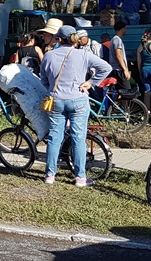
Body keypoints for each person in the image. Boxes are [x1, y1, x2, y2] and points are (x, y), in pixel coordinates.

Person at [40, 25, 111, 187]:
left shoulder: (48, 56)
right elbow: (105, 67)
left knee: (54, 138)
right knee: (78, 139)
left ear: (58, 39)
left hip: (56, 100)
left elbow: (43, 80)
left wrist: (53, 88)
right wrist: (90, 83)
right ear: (75, 39)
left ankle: (50, 175)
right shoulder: (83, 55)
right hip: (78, 100)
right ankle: (80, 177)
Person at [109, 21, 132, 89]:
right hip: (119, 70)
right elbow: (118, 55)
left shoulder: (114, 39)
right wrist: (125, 70)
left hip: (115, 69)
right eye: (125, 28)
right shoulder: (117, 40)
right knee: (127, 91)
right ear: (122, 29)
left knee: (119, 91)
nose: (126, 30)